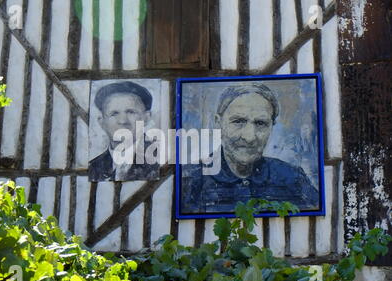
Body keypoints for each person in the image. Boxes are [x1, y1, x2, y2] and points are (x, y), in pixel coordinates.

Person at [182, 83, 320, 214]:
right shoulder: (190, 180)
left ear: (272, 126)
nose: (249, 137)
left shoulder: (292, 178)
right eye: (238, 121)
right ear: (218, 123)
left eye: (260, 123)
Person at [88, 81, 159, 181]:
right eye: (114, 114)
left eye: (131, 112)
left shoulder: (160, 160)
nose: (122, 121)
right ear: (101, 122)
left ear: (146, 118)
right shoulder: (93, 167)